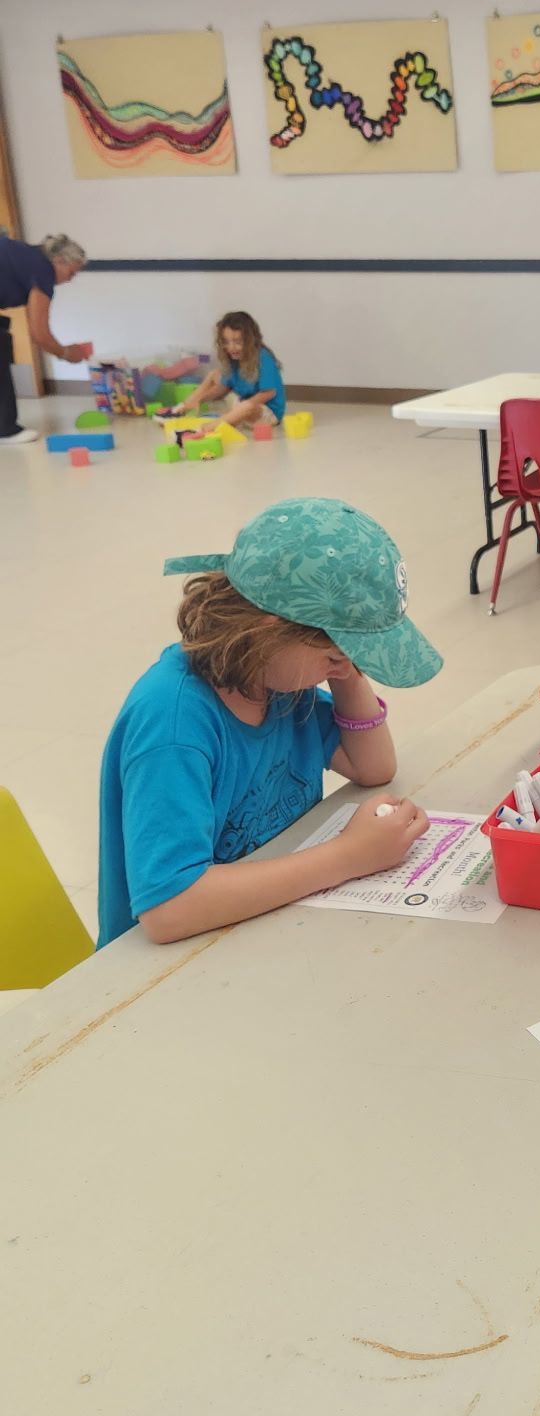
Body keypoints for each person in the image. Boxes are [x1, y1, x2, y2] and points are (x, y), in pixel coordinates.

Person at [98, 497, 443, 948]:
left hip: (266, 929)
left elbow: (372, 766)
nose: (344, 668)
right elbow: (169, 910)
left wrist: (346, 665)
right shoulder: (174, 723)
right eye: (334, 656)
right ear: (267, 630)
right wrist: (349, 856)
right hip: (171, 965)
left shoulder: (275, 680)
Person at [0, 232, 91, 447]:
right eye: (71, 273)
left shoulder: (27, 257)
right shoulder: (42, 270)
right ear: (59, 260)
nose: (70, 279)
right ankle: (5, 429)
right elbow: (39, 334)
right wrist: (67, 353)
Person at [156, 310, 286, 429]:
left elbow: (268, 393)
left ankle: (215, 425)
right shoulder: (234, 360)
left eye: (237, 342)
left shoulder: (263, 357)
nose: (231, 348)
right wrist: (200, 399)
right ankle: (186, 405)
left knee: (247, 406)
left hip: (266, 413)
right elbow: (223, 388)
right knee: (214, 374)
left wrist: (242, 407)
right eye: (226, 342)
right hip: (243, 406)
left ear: (250, 341)